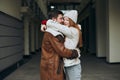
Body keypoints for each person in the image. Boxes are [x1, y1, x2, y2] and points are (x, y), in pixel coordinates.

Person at [40, 10, 79, 80]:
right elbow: (62, 51)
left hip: (51, 65)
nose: (62, 21)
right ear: (54, 20)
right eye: (61, 18)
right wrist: (74, 53)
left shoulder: (54, 31)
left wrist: (43, 24)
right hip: (52, 67)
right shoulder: (52, 33)